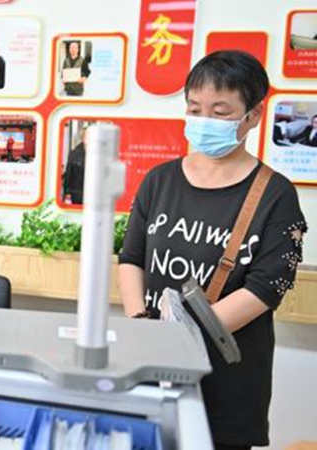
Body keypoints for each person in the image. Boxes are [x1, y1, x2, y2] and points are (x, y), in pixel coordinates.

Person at [118, 51, 307, 450]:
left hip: (228, 381)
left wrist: (182, 336)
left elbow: (264, 289)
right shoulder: (159, 180)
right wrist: (142, 323)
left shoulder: (276, 195)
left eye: (220, 111)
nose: (203, 121)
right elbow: (131, 258)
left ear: (252, 116)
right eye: (194, 108)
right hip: (152, 365)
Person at [62, 128, 86, 204]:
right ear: (84, 138)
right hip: (78, 193)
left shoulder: (99, 153)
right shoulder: (75, 153)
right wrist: (66, 192)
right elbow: (69, 173)